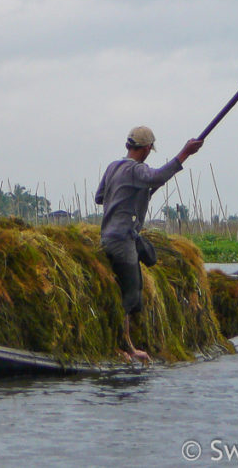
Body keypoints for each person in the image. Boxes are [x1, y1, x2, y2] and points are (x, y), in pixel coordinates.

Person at [94, 126, 203, 363]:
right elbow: (156, 176)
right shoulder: (137, 169)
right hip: (122, 240)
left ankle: (125, 341)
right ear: (145, 149)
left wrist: (139, 192)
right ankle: (125, 346)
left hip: (109, 237)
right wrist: (185, 153)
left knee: (150, 257)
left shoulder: (114, 167)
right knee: (131, 294)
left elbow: (100, 197)